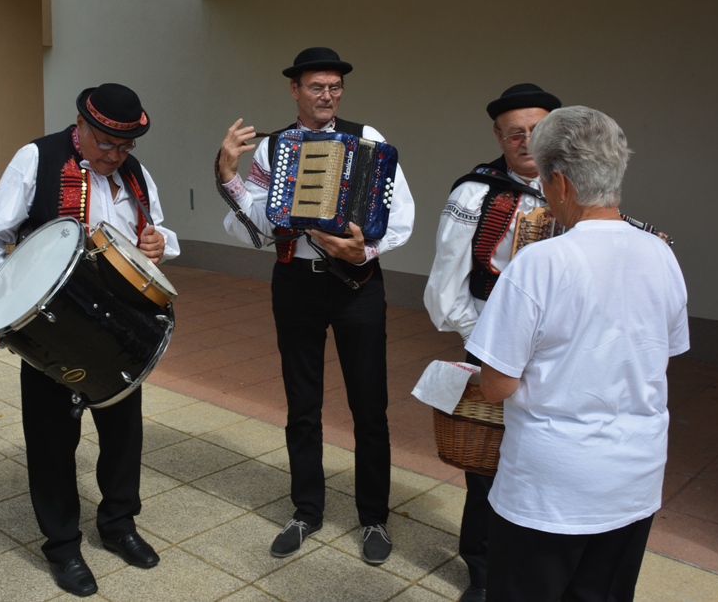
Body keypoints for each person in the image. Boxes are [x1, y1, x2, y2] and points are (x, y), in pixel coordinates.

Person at [0, 83, 178, 597]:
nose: (115, 156)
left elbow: (159, 231)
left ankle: (118, 524)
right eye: (105, 143)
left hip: (120, 326)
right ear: (80, 127)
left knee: (123, 435)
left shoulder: (135, 173)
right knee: (52, 442)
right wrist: (0, 308)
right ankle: (62, 546)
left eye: (125, 146)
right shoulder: (38, 159)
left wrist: (158, 241)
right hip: (51, 326)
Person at [467, 106, 688, 601]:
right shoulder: (661, 253)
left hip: (551, 488)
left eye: (546, 181)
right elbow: (661, 358)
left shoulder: (540, 263)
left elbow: (497, 385)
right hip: (634, 479)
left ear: (561, 184)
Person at [217, 47, 414, 565]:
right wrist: (229, 174)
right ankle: (306, 510)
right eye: (316, 87)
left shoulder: (367, 138)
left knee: (369, 405)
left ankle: (374, 518)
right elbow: (258, 227)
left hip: (357, 284)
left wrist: (364, 251)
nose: (327, 95)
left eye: (334, 87)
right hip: (296, 283)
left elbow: (400, 213)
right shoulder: (274, 148)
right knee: (302, 404)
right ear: (295, 90)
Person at [423, 82, 561, 602]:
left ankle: (538, 562)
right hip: (492, 340)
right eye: (515, 133)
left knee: (547, 454)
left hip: (558, 349)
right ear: (499, 137)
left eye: (537, 131)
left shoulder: (577, 188)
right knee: (487, 462)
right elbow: (445, 284)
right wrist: (484, 339)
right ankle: (482, 570)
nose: (526, 142)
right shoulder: (475, 193)